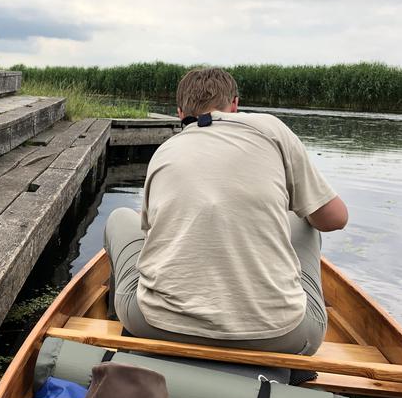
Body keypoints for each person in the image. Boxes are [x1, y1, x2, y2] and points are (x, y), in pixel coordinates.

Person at [104, 68, 348, 355]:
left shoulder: (165, 150)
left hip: (154, 324)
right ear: (234, 105)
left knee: (120, 218)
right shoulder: (271, 128)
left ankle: (115, 322)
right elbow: (335, 219)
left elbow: (151, 234)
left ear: (180, 112)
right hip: (284, 337)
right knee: (304, 220)